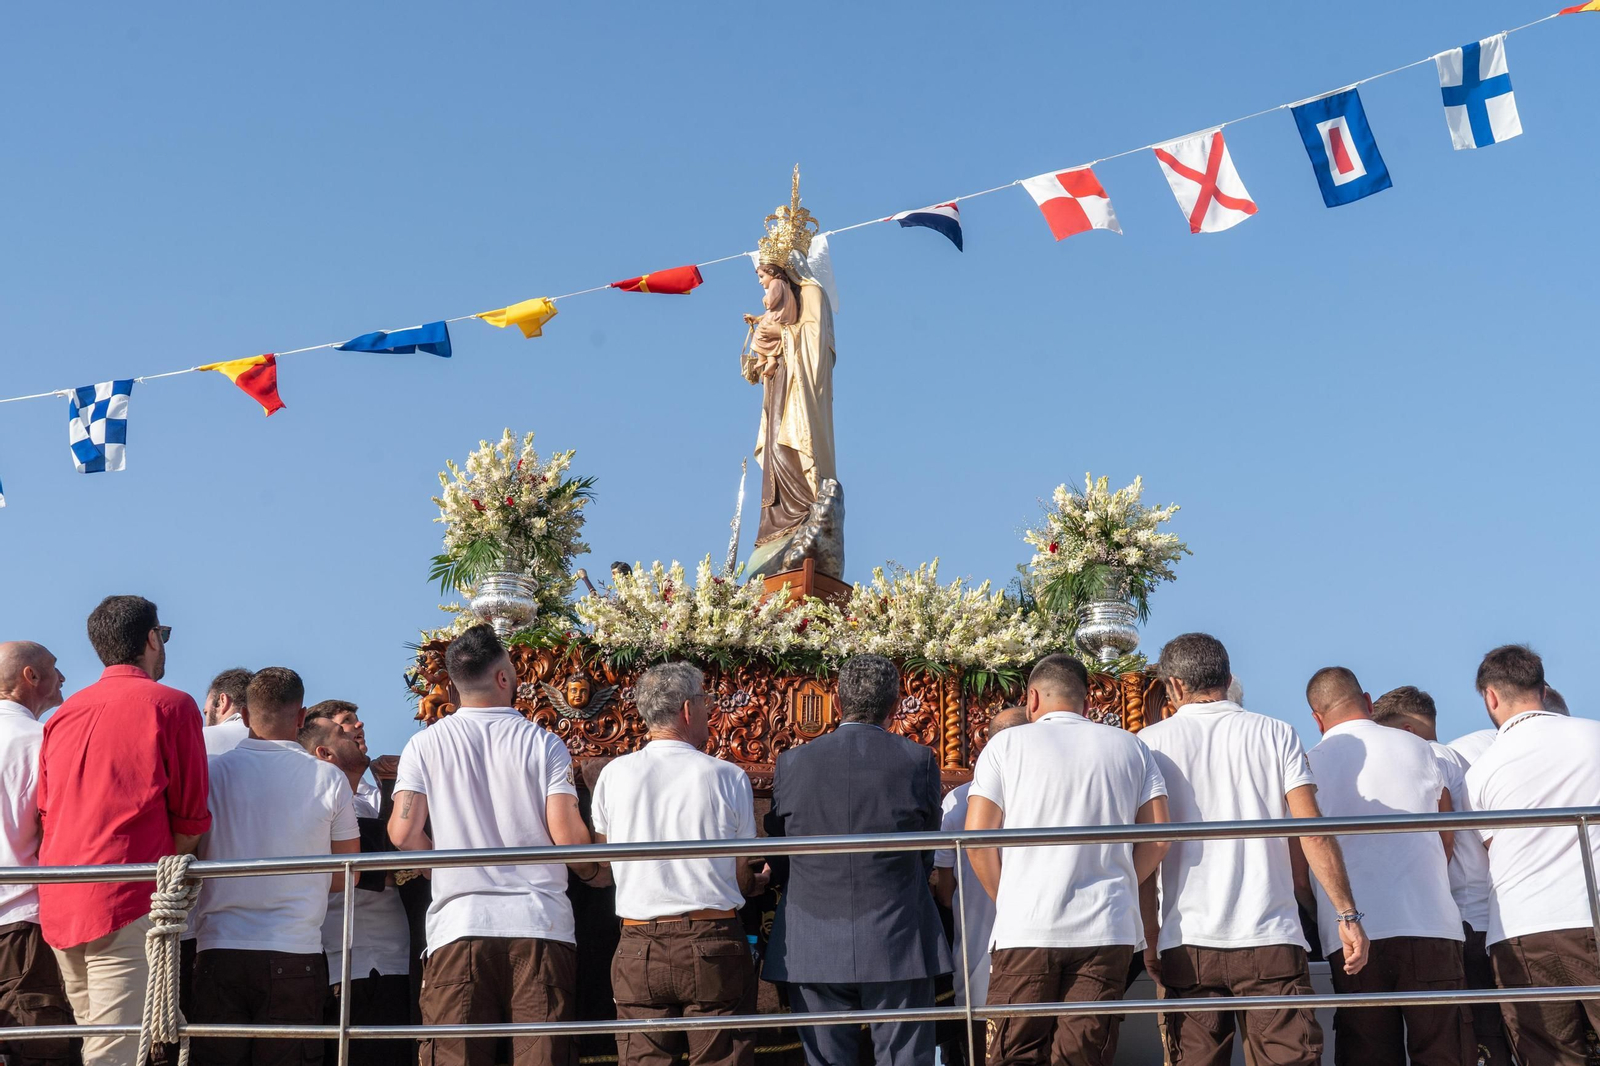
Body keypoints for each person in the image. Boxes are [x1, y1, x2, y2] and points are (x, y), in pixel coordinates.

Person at [1138, 632, 1368, 1066]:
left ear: (1176, 686)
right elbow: (1312, 832)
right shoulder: (1276, 733)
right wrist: (1347, 914)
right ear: (1226, 677)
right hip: (1271, 939)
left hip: (1187, 943)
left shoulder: (1149, 743)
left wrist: (1151, 937)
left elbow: (1149, 850)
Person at [388, 624, 600, 1066]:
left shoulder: (424, 744)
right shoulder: (544, 744)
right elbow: (567, 837)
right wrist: (600, 866)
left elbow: (403, 833)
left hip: (459, 923)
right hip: (538, 924)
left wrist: (445, 867)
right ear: (503, 677)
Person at [965, 655, 1170, 1066]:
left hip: (1027, 926)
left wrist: (1006, 899)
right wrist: (1124, 877)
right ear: (1087, 703)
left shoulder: (1005, 744)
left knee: (1012, 1052)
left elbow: (976, 838)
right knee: (1083, 1056)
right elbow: (1160, 835)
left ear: (1032, 698)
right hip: (1106, 926)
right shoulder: (1130, 745)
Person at [39, 595, 211, 1066]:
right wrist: (171, 876)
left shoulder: (61, 716)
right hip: (128, 897)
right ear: (152, 639)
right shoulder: (172, 705)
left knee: (101, 1042)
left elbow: (47, 811)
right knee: (113, 1052)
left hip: (61, 900)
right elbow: (192, 813)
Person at [764, 654, 950, 1066]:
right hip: (897, 934)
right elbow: (926, 846)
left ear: (836, 699)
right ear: (896, 703)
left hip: (812, 938)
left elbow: (779, 847)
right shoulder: (917, 760)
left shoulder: (792, 762)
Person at [591, 662, 763, 1066]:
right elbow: (741, 872)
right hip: (712, 937)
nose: (709, 711)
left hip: (639, 942)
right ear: (689, 709)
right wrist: (754, 883)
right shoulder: (727, 776)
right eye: (706, 702)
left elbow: (602, 863)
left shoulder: (613, 775)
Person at [190, 667, 359, 1066]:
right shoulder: (329, 779)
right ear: (301, 718)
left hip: (218, 949)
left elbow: (189, 849)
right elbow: (344, 876)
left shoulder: (212, 774)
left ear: (245, 716)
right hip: (294, 951)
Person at [1304, 668, 1470, 1066]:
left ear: (1316, 717)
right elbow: (1445, 831)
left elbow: (1300, 857)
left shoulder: (1306, 764)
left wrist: (1322, 912)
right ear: (1367, 701)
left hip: (1349, 933)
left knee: (1367, 1051)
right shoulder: (1419, 747)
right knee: (1444, 1048)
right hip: (1429, 922)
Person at [1465, 645, 1600, 1066]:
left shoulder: (1480, 772)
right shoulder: (1595, 735)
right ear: (1543, 688)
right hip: (1593, 911)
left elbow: (1488, 851)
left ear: (1490, 697)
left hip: (1522, 930)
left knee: (1549, 1056)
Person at [1371, 685, 1508, 1066]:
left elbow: (1435, 845)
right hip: (1492, 916)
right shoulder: (1472, 753)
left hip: (1461, 919)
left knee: (1476, 1043)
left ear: (1408, 732)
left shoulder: (1429, 755)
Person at [301, 701, 413, 1066]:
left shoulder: (386, 786)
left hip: (396, 954)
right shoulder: (312, 799)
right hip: (342, 959)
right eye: (345, 724)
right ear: (325, 750)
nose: (358, 725)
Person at [0, 642, 77, 1066]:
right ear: (31, 677)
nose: (63, 677)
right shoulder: (42, 740)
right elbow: (59, 830)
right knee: (35, 1049)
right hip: (23, 925)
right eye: (55, 668)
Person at [932, 707, 1028, 1038]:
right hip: (1032, 940)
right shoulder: (1045, 795)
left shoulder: (959, 800)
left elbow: (945, 890)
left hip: (975, 948)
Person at [202, 667, 252, 755]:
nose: (205, 721)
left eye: (206, 713)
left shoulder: (199, 738)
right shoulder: (273, 741)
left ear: (223, 701)